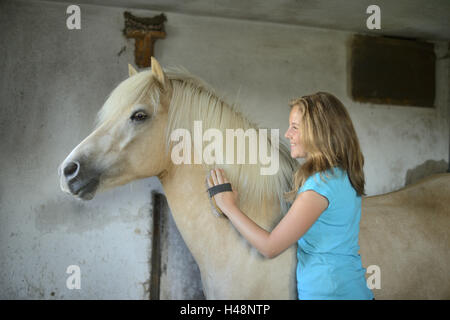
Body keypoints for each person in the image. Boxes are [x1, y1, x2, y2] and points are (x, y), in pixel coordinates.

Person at [206, 92, 374, 300]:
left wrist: (228, 205)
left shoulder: (319, 187)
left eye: (295, 127)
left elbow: (270, 247)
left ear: (318, 132)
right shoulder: (340, 175)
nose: (287, 134)